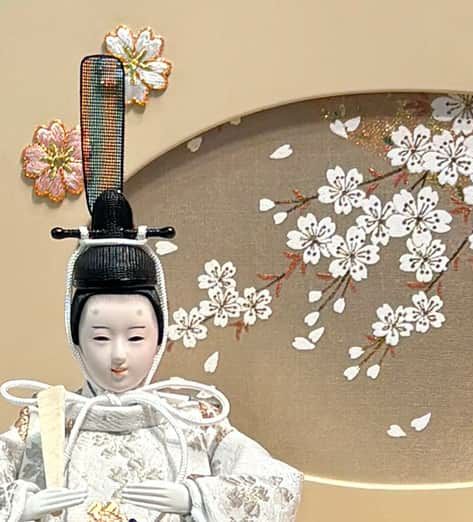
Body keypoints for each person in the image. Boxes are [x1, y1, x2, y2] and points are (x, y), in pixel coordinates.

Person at [0, 55, 302, 521]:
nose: (118, 355)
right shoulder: (45, 420)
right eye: (101, 336)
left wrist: (197, 498)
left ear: (160, 335)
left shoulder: (192, 419)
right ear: (75, 336)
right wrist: (22, 506)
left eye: (136, 335)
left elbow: (279, 486)